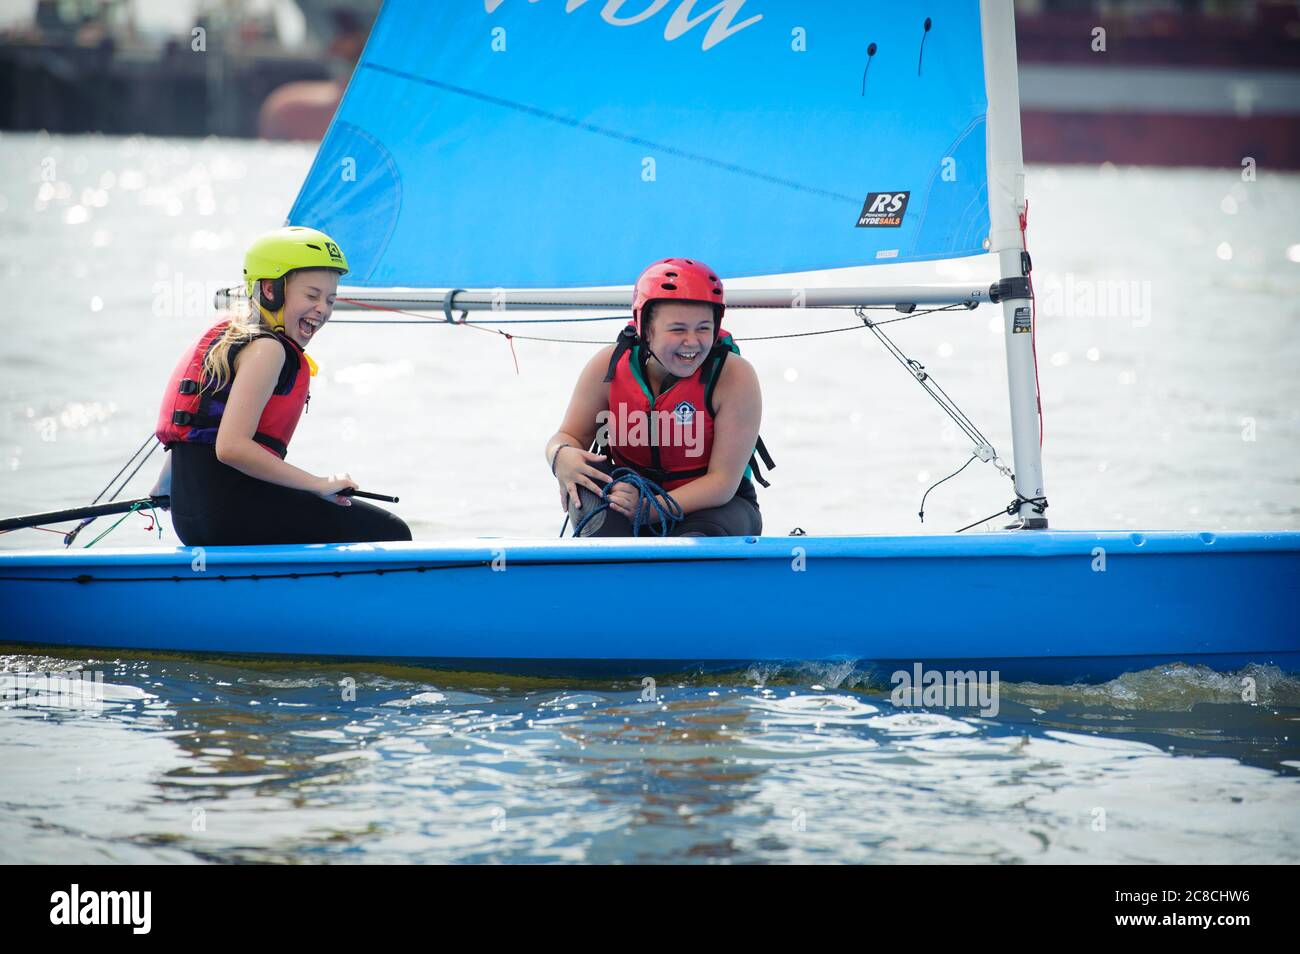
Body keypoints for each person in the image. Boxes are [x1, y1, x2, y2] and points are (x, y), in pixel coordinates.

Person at [150, 226, 411, 546]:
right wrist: (316, 483)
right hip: (231, 513)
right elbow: (230, 446)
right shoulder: (267, 350)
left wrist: (165, 486)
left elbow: (199, 428)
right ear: (271, 290)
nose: (323, 309)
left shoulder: (232, 337)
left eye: (330, 299)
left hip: (194, 518)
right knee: (390, 533)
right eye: (312, 295)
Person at [544, 257, 773, 537]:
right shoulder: (608, 368)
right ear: (646, 330)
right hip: (628, 499)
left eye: (703, 328)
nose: (692, 341)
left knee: (693, 543)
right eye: (678, 329)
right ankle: (608, 568)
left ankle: (684, 573)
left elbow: (722, 483)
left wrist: (650, 509)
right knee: (583, 483)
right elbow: (567, 436)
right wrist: (560, 457)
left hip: (714, 509)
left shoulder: (734, 377)